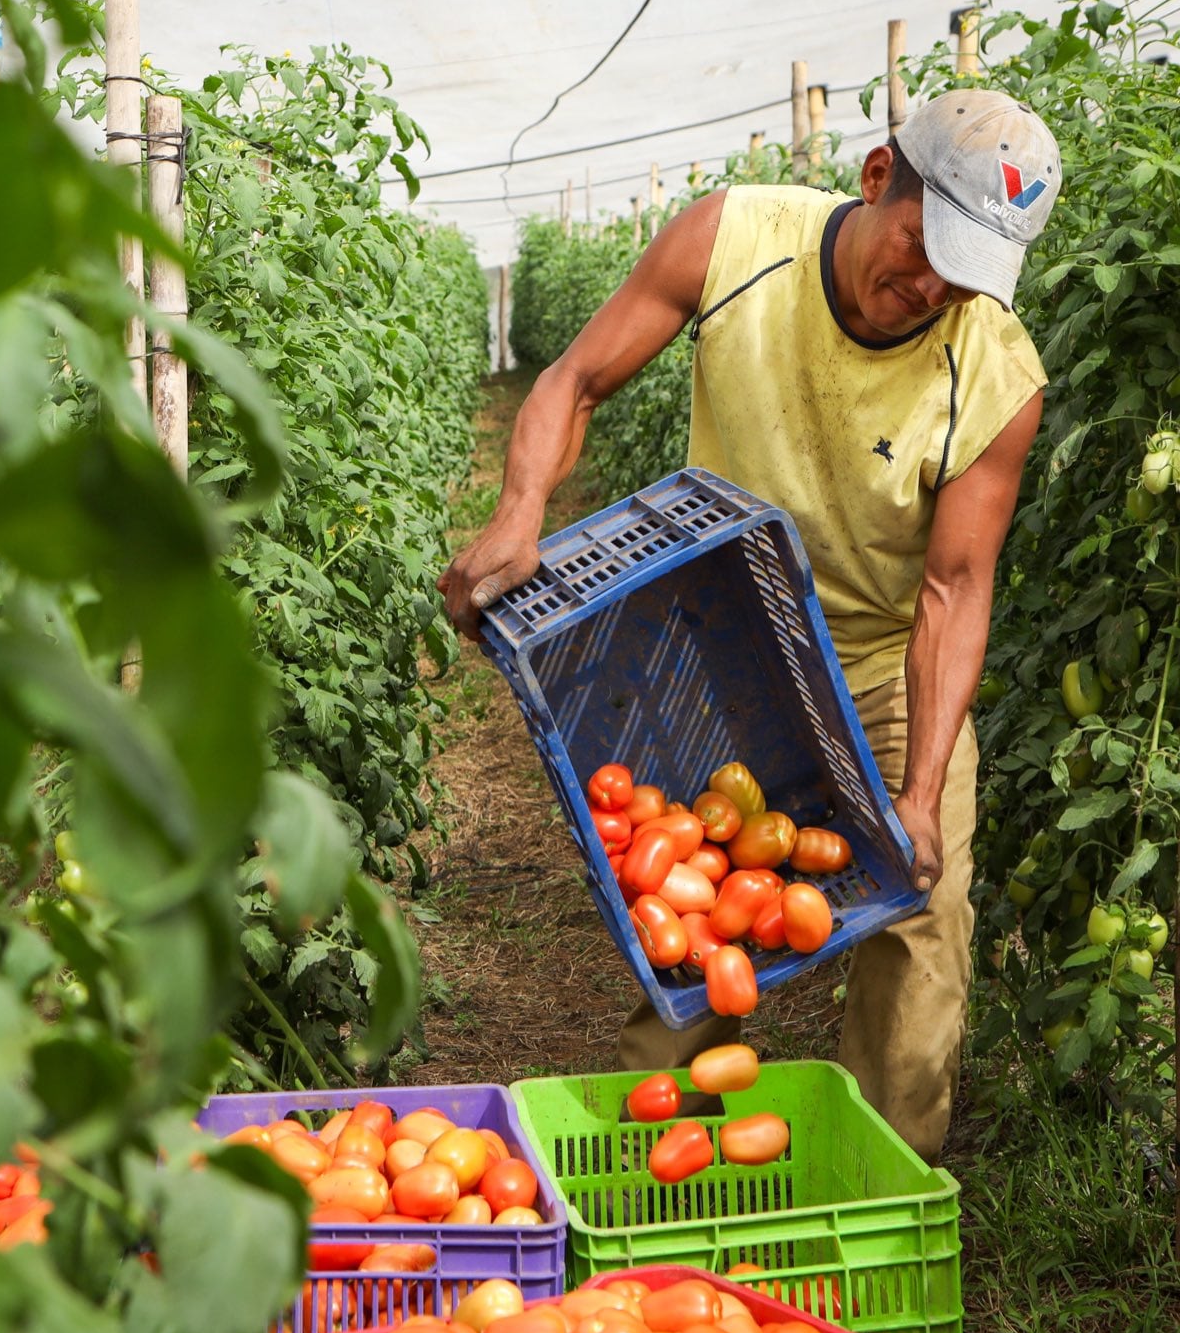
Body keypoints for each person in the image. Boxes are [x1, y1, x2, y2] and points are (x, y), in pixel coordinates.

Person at [437, 91, 1063, 1165]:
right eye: (921, 247)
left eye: (963, 270)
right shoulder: (735, 241)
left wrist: (913, 792)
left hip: (877, 665)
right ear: (877, 178)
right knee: (684, 934)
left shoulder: (993, 373)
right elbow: (574, 378)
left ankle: (875, 1192)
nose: (929, 288)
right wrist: (518, 510)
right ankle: (652, 1178)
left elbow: (953, 591)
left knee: (923, 930)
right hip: (725, 648)